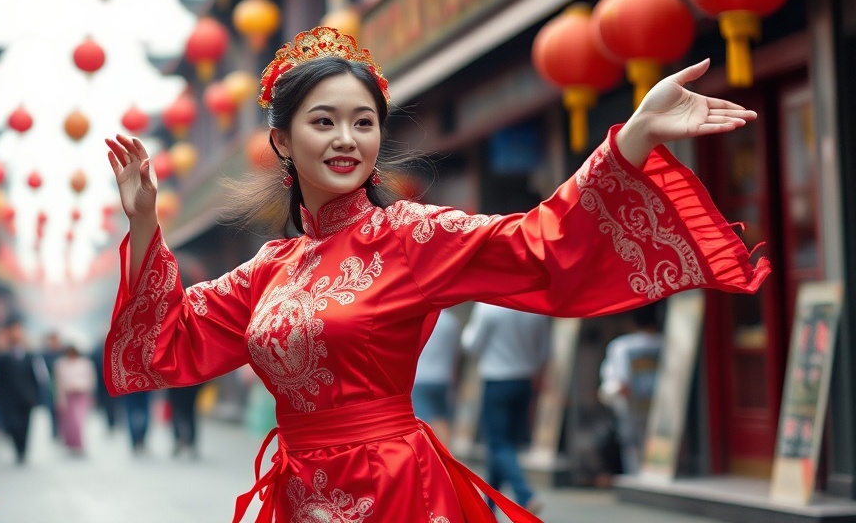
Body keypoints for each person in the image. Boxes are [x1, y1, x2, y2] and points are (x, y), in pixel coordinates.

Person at [102, 26, 768, 522]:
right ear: (282, 140)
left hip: (394, 488)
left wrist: (632, 140)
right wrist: (143, 223)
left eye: (363, 122)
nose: (346, 139)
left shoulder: (413, 236)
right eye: (323, 121)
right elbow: (167, 341)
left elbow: (539, 241)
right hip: (300, 492)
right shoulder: (270, 269)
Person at [462, 303, 551, 514]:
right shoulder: (535, 307)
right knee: (504, 446)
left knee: (499, 444)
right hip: (524, 381)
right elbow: (544, 350)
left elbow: (471, 345)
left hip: (497, 380)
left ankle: (525, 494)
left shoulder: (489, 306)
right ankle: (487, 506)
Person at [598, 301, 665, 475]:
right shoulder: (666, 342)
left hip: (632, 411)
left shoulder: (621, 346)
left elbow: (618, 383)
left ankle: (637, 477)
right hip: (664, 409)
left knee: (632, 448)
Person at [0, 316, 48, 464]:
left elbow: (39, 377)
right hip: (9, 399)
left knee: (26, 425)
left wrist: (38, 396)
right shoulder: (3, 356)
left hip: (27, 397)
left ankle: (23, 450)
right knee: (13, 425)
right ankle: (18, 448)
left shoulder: (30, 355)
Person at [412, 306, 462, 445]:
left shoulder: (422, 318)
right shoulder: (452, 322)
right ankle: (446, 456)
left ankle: (426, 455)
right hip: (443, 378)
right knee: (441, 419)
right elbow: (456, 353)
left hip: (421, 377)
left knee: (421, 420)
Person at [53, 344, 96, 454]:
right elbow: (58, 383)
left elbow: (91, 379)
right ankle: (71, 442)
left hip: (81, 394)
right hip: (68, 395)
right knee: (69, 422)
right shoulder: (60, 364)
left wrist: (91, 395)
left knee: (78, 420)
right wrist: (59, 398)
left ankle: (79, 443)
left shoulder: (85, 363)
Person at [167, 383, 204, 459]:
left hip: (177, 383)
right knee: (188, 412)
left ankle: (180, 439)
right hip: (190, 384)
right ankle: (189, 441)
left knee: (179, 411)